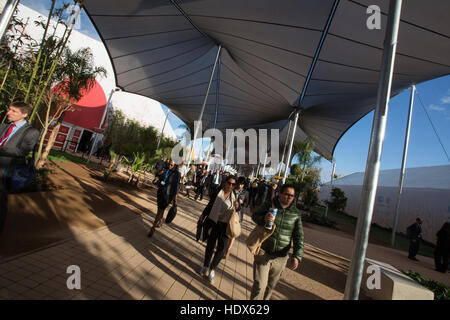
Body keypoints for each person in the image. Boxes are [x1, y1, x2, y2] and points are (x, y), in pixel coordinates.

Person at [250, 184, 304, 300]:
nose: (289, 198)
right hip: (264, 252)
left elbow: (299, 236)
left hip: (281, 257)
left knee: (270, 287)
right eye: (287, 194)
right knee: (260, 285)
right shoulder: (270, 205)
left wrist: (297, 256)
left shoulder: (295, 214)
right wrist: (263, 219)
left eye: (292, 196)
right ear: (279, 193)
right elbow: (254, 216)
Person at [0, 102, 39, 235]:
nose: (8, 113)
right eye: (9, 109)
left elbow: (21, 152)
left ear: (25, 114)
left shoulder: (32, 132)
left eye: (14, 111)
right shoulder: (3, 126)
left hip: (5, 172)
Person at [198, 175, 239, 283]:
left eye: (233, 184)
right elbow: (210, 205)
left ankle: (212, 268)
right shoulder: (218, 192)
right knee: (210, 246)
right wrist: (203, 215)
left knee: (222, 249)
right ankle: (206, 266)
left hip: (226, 226)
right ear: (225, 182)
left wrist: (238, 206)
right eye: (229, 183)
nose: (230, 185)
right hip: (214, 223)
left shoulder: (235, 196)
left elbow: (237, 211)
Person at [147, 160, 180, 238]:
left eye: (172, 165)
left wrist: (175, 199)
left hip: (168, 195)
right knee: (160, 208)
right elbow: (157, 174)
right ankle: (161, 220)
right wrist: (160, 172)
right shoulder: (165, 169)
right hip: (160, 192)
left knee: (160, 210)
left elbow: (176, 187)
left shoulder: (177, 174)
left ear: (175, 166)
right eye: (169, 164)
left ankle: (153, 227)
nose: (170, 166)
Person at [225, 176, 249, 259]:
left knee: (234, 232)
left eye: (242, 184)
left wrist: (242, 203)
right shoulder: (233, 190)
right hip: (229, 212)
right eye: (239, 184)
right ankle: (224, 246)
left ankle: (228, 249)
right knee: (227, 229)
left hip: (238, 215)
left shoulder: (246, 192)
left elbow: (247, 204)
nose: (240, 186)